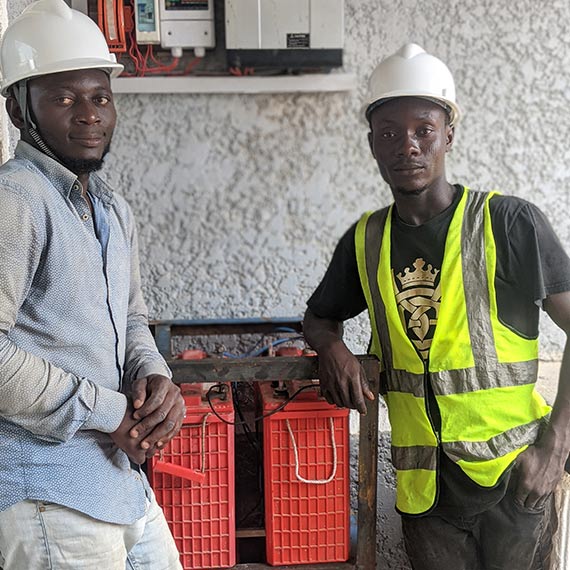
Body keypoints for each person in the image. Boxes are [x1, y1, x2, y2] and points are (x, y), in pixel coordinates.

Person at [303, 42, 570, 570]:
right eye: (389, 133)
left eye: (423, 130)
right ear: (372, 145)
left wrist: (556, 448)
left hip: (514, 482)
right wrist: (331, 347)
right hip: (426, 494)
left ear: (449, 134)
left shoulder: (508, 224)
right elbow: (319, 317)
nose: (407, 146)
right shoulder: (366, 240)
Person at [0, 0, 186, 568]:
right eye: (63, 98)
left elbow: (131, 319)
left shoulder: (111, 208)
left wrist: (156, 380)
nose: (89, 115)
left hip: (119, 481)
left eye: (100, 97)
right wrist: (112, 412)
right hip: (46, 489)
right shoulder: (16, 200)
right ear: (17, 109)